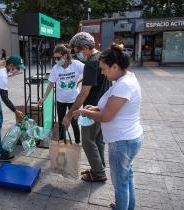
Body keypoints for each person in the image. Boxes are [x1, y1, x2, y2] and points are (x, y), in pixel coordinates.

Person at [72, 44, 143, 210]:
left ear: (115, 66)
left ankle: (122, 206)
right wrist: (94, 108)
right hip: (128, 138)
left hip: (122, 142)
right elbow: (111, 106)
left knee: (121, 184)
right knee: (127, 177)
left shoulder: (123, 85)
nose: (102, 72)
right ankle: (127, 206)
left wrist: (84, 111)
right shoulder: (125, 79)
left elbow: (106, 116)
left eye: (104, 69)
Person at [62, 32, 111, 182]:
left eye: (77, 51)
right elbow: (97, 77)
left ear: (85, 47)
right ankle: (98, 167)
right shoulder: (102, 57)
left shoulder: (90, 63)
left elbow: (84, 93)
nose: (77, 55)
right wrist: (83, 80)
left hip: (91, 109)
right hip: (103, 106)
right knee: (98, 140)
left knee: (88, 141)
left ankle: (98, 173)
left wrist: (69, 114)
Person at [38, 44, 84, 144]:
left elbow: (90, 71)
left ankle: (77, 143)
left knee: (74, 122)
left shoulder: (76, 64)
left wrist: (80, 81)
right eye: (54, 58)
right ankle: (62, 143)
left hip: (74, 100)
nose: (56, 60)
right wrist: (44, 97)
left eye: (58, 57)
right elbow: (51, 83)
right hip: (61, 100)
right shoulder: (56, 68)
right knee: (61, 123)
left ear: (65, 56)